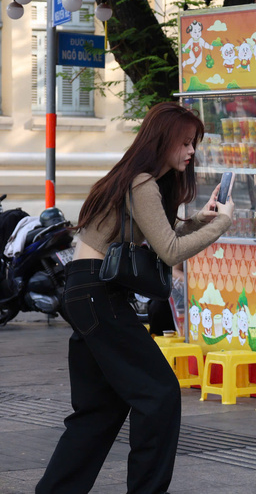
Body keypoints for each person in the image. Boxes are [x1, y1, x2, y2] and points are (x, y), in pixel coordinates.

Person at [36, 102, 234, 494]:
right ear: (164, 141)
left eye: (194, 143)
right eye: (186, 142)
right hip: (99, 293)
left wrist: (202, 219)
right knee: (159, 393)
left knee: (98, 411)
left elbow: (166, 232)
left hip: (84, 291)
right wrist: (223, 224)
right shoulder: (141, 182)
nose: (191, 151)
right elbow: (171, 251)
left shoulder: (136, 180)